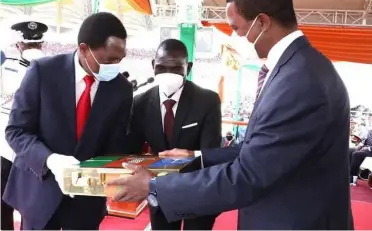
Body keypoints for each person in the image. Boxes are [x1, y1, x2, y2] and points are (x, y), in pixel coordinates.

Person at [106, 0, 353, 230]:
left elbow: (248, 175)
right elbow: (262, 149)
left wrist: (154, 186)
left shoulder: (299, 80)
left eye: (236, 28)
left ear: (263, 22)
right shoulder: (295, 67)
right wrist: (197, 157)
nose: (234, 37)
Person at [3, 12, 133, 230]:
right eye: (109, 60)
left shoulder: (121, 89)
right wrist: (51, 160)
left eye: (120, 60)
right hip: (39, 191)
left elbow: (115, 143)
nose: (115, 66)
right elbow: (16, 131)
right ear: (84, 49)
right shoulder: (43, 72)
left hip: (86, 200)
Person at [126, 38, 221, 230]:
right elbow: (132, 151)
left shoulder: (208, 101)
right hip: (159, 190)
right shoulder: (140, 103)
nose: (168, 74)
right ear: (153, 66)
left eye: (176, 68)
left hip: (197, 190)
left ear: (189, 67)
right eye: (161, 67)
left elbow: (210, 153)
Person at [1, 21, 48, 231]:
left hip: (5, 148)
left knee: (2, 206)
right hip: (39, 150)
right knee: (34, 208)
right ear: (42, 43)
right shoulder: (54, 69)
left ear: (19, 44)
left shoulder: (7, 69)